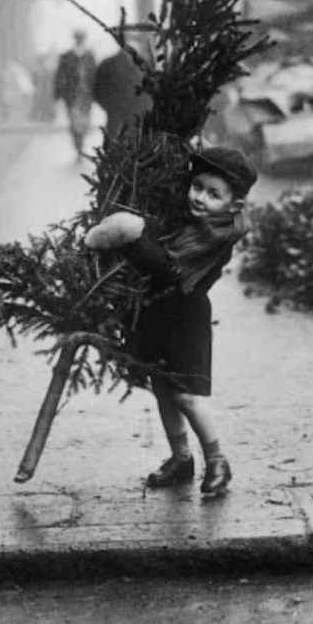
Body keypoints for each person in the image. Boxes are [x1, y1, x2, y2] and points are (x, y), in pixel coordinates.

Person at [84, 145, 257, 496]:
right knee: (163, 389)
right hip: (160, 314)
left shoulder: (218, 235)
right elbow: (164, 232)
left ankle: (218, 461)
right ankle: (181, 458)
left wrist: (133, 237)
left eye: (214, 194)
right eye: (197, 187)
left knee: (187, 396)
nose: (200, 198)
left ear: (233, 206)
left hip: (185, 319)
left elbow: (170, 271)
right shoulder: (191, 221)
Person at [53, 29, 96, 159]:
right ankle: (78, 146)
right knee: (73, 122)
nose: (80, 41)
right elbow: (59, 77)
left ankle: (81, 142)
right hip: (72, 96)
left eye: (81, 39)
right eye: (78, 39)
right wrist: (58, 95)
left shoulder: (90, 57)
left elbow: (95, 76)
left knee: (85, 122)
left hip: (86, 96)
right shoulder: (66, 57)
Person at [93, 44, 152, 138]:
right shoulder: (108, 64)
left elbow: (149, 90)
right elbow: (98, 88)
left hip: (129, 115)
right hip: (120, 115)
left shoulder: (142, 64)